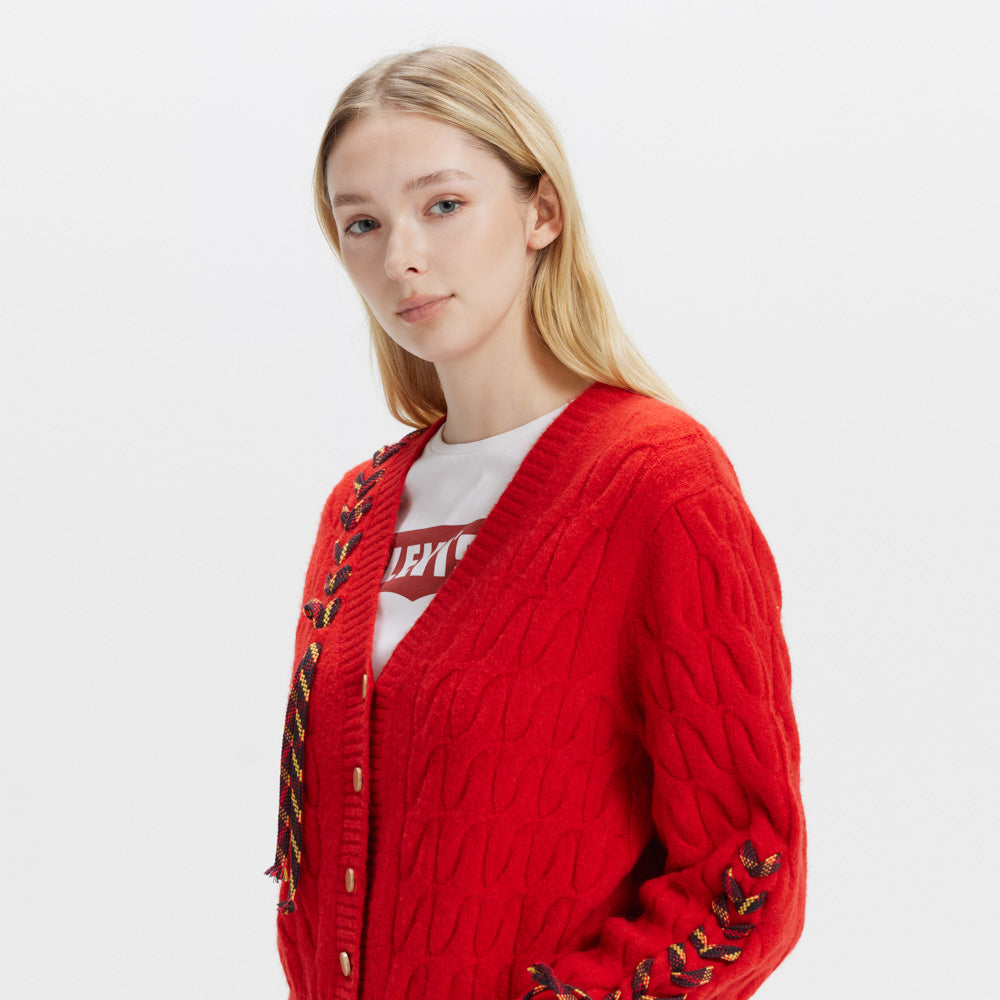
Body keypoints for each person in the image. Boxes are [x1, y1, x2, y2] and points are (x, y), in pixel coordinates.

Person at [266, 45, 806, 1000]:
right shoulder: (357, 508)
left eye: (443, 205)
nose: (400, 257)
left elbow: (745, 880)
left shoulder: (655, 482)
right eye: (362, 223)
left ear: (541, 212)